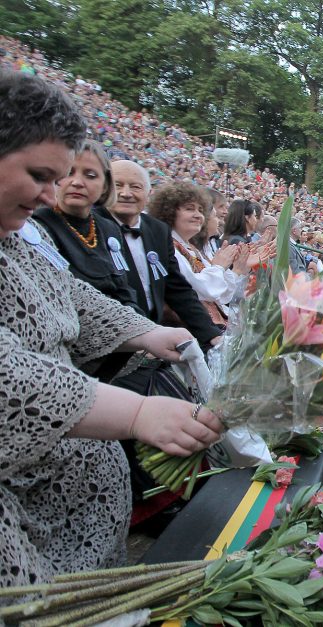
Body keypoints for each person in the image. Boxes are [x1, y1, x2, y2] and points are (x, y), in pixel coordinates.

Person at [0, 70, 224, 589]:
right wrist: (139, 411)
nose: (48, 194)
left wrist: (142, 332)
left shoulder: (17, 235)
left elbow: (70, 294)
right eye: (39, 175)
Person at [100, 161, 223, 351]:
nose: (125, 193)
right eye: (118, 185)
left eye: (135, 186)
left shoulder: (157, 230)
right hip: (112, 345)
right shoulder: (91, 227)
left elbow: (177, 289)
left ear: (148, 194)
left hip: (154, 344)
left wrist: (211, 334)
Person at [32, 140, 142, 315]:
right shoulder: (38, 226)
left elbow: (123, 288)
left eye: (90, 175)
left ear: (105, 185)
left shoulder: (109, 229)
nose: (77, 182)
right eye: (69, 172)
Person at [148, 181, 251, 326]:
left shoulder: (190, 248)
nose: (198, 216)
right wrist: (220, 267)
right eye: (190, 209)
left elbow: (221, 295)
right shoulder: (169, 247)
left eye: (200, 210)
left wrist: (234, 269)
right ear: (169, 212)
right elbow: (198, 290)